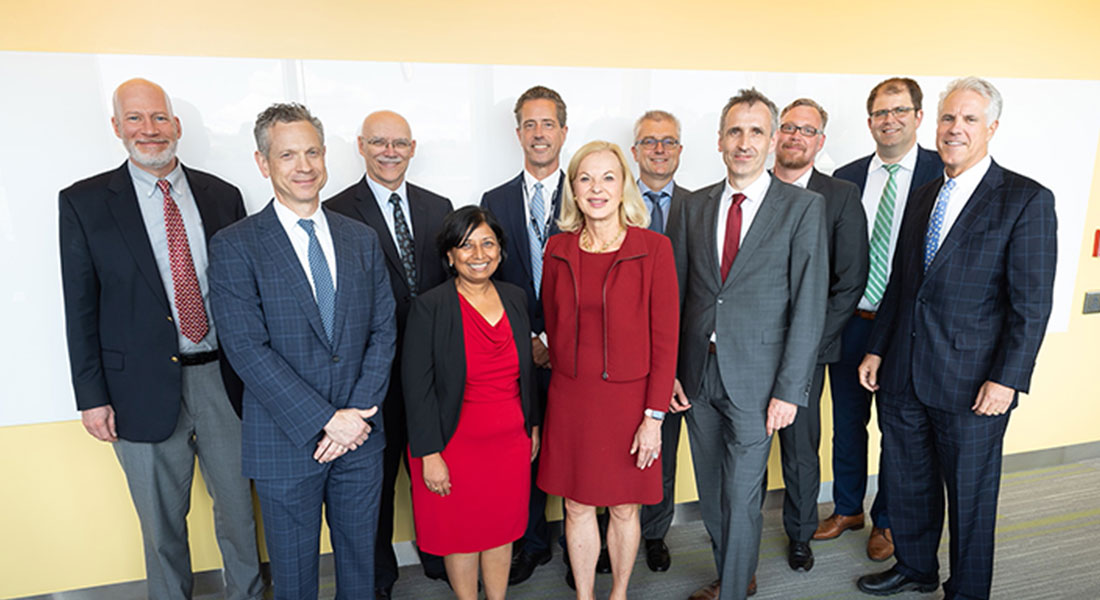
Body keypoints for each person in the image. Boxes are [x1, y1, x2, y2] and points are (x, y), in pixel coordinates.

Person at [58, 78, 263, 600]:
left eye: (158, 118)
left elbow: (248, 294)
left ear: (176, 125)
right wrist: (92, 397)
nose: (148, 130)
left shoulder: (222, 195)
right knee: (161, 525)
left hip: (225, 381)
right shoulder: (84, 203)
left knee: (239, 514)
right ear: (116, 127)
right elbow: (79, 306)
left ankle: (248, 593)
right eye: (135, 119)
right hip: (138, 391)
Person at [856, 77, 1056, 599]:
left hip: (974, 385)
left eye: (969, 119)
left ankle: (966, 590)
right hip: (904, 375)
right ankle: (916, 569)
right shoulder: (925, 195)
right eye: (948, 118)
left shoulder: (1025, 199)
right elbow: (904, 285)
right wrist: (878, 347)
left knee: (970, 498)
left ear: (992, 126)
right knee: (908, 483)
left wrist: (1006, 380)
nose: (955, 129)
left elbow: (1031, 307)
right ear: (934, 124)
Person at [208, 103, 396, 599]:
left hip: (360, 438)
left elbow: (383, 330)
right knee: (293, 578)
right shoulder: (236, 245)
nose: (304, 166)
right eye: (288, 154)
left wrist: (354, 417)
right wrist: (326, 419)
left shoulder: (361, 238)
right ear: (262, 162)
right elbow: (247, 349)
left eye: (312, 151)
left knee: (362, 570)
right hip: (285, 442)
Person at [669, 89, 827, 600]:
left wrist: (790, 390)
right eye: (735, 131)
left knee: (741, 494)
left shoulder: (803, 208)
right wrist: (669, 371)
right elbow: (675, 296)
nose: (744, 142)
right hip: (698, 374)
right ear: (719, 141)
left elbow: (808, 305)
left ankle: (734, 589)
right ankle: (735, 573)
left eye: (756, 131)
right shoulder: (691, 206)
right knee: (714, 496)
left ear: (773, 139)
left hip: (760, 382)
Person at [538, 140, 679, 600]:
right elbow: (552, 324)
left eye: (608, 178)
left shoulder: (654, 248)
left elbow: (665, 340)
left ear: (624, 188)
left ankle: (617, 593)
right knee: (575, 505)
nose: (596, 188)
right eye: (585, 178)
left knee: (623, 508)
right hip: (571, 397)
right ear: (573, 191)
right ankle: (585, 595)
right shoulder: (556, 249)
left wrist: (653, 417)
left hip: (629, 400)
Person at [323, 109, 453, 598]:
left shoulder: (438, 205)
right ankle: (377, 578)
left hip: (432, 371)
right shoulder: (334, 210)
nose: (389, 151)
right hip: (368, 376)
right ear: (360, 145)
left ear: (413, 147)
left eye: (399, 142)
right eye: (379, 142)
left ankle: (441, 555)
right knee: (370, 486)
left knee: (433, 468)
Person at [821, 77, 943, 561]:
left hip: (907, 326)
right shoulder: (846, 177)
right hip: (852, 319)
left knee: (899, 428)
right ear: (869, 120)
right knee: (847, 422)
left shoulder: (941, 170)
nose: (889, 120)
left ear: (918, 116)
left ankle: (888, 521)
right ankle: (848, 507)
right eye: (880, 112)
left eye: (900, 110)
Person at [402, 206, 541, 600]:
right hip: (452, 444)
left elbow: (526, 376)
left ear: (500, 250)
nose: (479, 254)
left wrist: (532, 426)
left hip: (509, 441)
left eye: (488, 243)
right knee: (460, 536)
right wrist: (429, 453)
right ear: (450, 255)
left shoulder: (516, 298)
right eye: (466, 245)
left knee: (501, 531)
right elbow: (418, 387)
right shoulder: (430, 307)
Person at [770, 98, 868, 572]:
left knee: (800, 450)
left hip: (807, 353)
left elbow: (850, 281)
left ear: (820, 142)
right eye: (787, 127)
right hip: (748, 349)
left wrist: (805, 345)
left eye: (806, 130)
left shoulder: (841, 195)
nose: (795, 136)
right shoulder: (749, 190)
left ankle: (801, 534)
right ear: (773, 135)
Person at [480, 85, 567, 585]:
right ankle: (532, 542)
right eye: (530, 125)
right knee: (523, 450)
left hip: (575, 349)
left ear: (563, 131)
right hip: (515, 351)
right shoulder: (494, 200)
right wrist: (530, 339)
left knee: (582, 447)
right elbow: (488, 275)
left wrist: (553, 340)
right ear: (518, 134)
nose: (539, 134)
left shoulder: (587, 190)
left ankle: (590, 544)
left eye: (547, 124)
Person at [629, 109, 692, 573]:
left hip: (680, 352)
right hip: (622, 355)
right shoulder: (610, 200)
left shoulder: (699, 205)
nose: (659, 149)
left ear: (680, 151)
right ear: (634, 151)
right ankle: (618, 531)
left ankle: (654, 533)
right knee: (618, 447)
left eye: (668, 142)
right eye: (649, 142)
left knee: (662, 450)